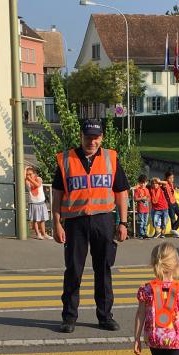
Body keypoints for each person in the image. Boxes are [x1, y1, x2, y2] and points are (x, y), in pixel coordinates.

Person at [51, 119, 130, 334]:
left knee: (103, 270)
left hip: (103, 220)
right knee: (74, 271)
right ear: (81, 136)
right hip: (75, 222)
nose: (92, 141)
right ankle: (69, 317)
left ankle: (105, 316)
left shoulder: (111, 158)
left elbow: (121, 192)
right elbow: (57, 194)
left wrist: (123, 222)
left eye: (96, 137)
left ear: (102, 137)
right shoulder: (66, 159)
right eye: (88, 137)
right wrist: (56, 223)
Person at [26, 167, 49, 240]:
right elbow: (24, 177)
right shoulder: (27, 181)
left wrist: (30, 179)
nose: (29, 175)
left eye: (30, 174)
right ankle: (38, 234)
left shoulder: (38, 178)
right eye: (27, 174)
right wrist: (25, 170)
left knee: (42, 219)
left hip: (41, 202)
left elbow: (37, 185)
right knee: (35, 220)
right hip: (33, 203)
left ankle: (44, 234)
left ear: (34, 173)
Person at [163, 169, 179, 238]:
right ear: (166, 178)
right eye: (170, 178)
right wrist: (159, 181)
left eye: (173, 178)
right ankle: (175, 232)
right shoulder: (165, 184)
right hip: (169, 204)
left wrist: (176, 188)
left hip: (174, 202)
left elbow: (173, 187)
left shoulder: (171, 184)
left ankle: (173, 229)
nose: (172, 179)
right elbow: (160, 182)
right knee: (173, 218)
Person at [133, 174, 151, 239]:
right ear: (139, 183)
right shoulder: (137, 190)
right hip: (140, 209)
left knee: (145, 222)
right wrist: (142, 198)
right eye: (141, 183)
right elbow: (135, 199)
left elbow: (149, 198)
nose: (143, 184)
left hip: (146, 209)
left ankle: (145, 233)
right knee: (141, 222)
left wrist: (147, 199)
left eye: (144, 183)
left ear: (146, 183)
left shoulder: (147, 190)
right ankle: (141, 234)